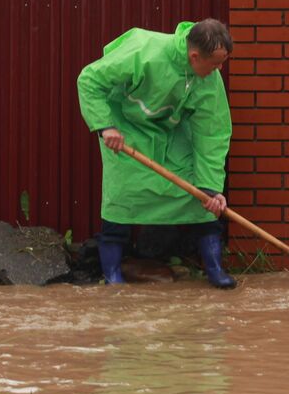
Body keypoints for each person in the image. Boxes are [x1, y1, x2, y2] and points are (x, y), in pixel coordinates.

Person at [77, 18, 235, 288]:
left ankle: (215, 269)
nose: (219, 69)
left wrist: (211, 188)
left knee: (199, 195)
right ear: (194, 56)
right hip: (125, 131)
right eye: (215, 63)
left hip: (171, 132)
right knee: (122, 195)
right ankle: (112, 277)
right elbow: (90, 80)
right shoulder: (143, 51)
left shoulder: (209, 78)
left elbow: (211, 133)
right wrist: (105, 126)